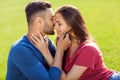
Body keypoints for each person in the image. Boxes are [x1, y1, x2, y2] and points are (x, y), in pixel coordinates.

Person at [31, 5, 120, 80]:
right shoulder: (65, 44)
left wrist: (46, 52)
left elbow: (67, 79)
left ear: (71, 24)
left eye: (59, 24)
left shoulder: (88, 49)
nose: (55, 28)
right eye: (55, 24)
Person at [6, 1, 70, 80]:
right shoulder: (20, 50)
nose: (54, 23)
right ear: (39, 21)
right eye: (51, 19)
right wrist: (60, 51)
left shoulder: (47, 42)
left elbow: (60, 67)